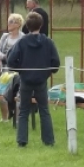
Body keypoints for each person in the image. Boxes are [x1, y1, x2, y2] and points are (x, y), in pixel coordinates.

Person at [7, 11, 60, 147]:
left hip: (26, 80)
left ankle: (22, 140)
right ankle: (48, 141)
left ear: (27, 26)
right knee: (44, 110)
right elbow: (56, 63)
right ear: (41, 25)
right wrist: (47, 73)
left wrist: (21, 71)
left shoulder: (22, 42)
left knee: (23, 110)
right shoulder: (48, 42)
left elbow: (11, 60)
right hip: (41, 81)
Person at [0, 13, 25, 122]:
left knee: (17, 95)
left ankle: (17, 119)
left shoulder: (23, 38)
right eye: (9, 21)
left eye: (12, 21)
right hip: (5, 69)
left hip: (17, 71)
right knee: (2, 93)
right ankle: (4, 118)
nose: (9, 24)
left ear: (18, 24)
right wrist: (3, 56)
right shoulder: (5, 36)